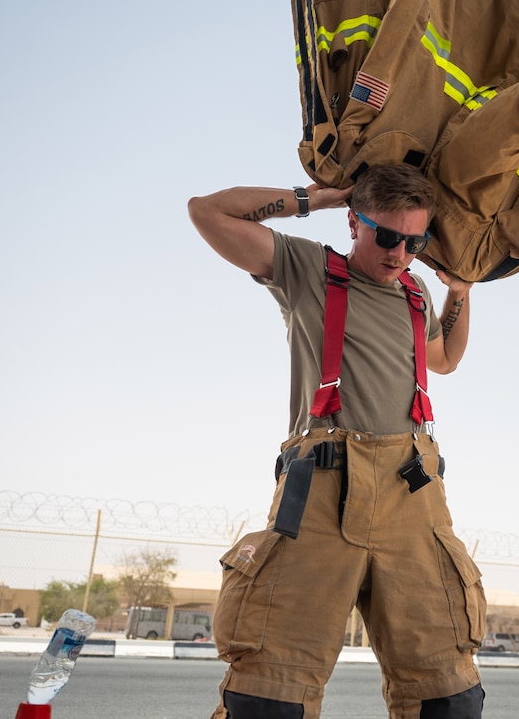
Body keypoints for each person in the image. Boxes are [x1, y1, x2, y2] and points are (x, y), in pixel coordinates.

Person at [187, 163, 486, 719]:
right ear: (355, 222)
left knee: (449, 694)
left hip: (413, 492)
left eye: (414, 241)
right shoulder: (306, 268)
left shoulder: (416, 292)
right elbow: (207, 211)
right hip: (321, 487)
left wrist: (461, 294)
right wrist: (315, 199)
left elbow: (444, 359)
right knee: (269, 693)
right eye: (387, 236)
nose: (400, 253)